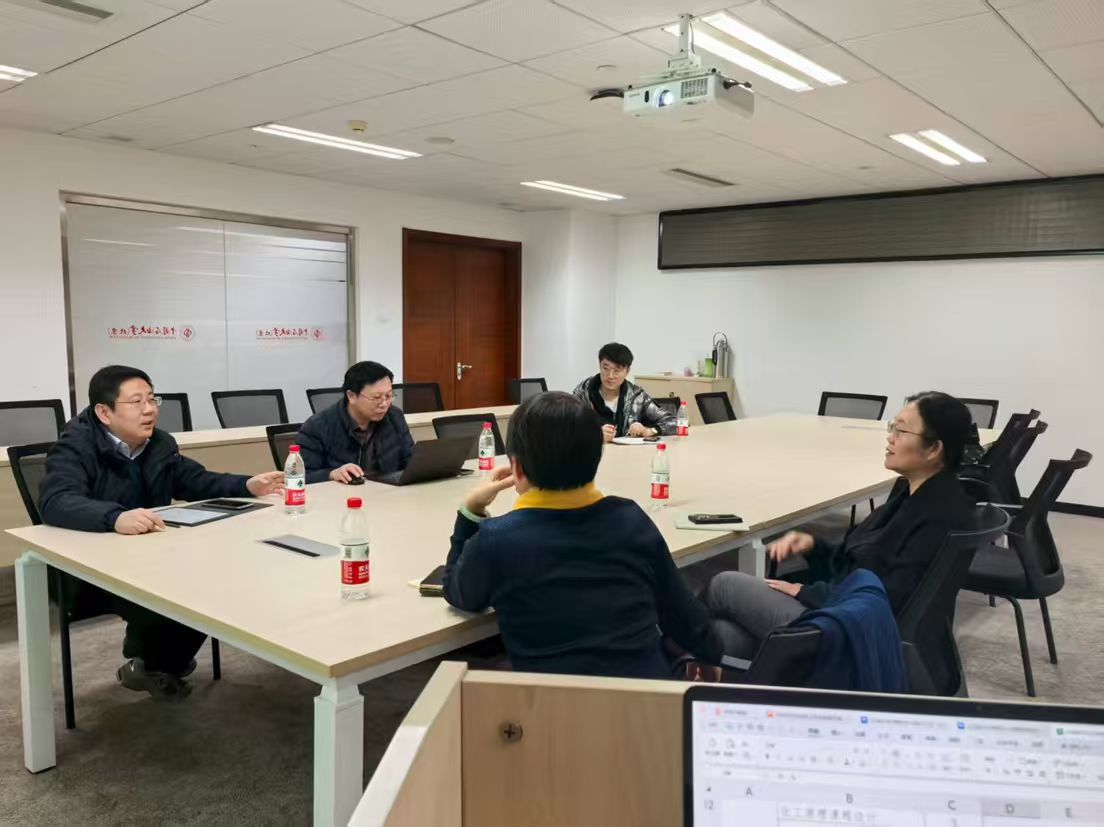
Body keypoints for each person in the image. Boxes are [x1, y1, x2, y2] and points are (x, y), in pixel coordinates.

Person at [39, 365, 285, 698]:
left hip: (151, 554)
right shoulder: (76, 447)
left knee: (216, 578)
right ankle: (155, 661)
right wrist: (114, 517)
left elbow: (194, 481)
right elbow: (56, 500)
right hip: (91, 569)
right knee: (180, 592)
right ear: (104, 412)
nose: (149, 410)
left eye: (152, 399)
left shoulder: (158, 443)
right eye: (136, 402)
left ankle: (155, 662)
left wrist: (246, 485)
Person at [441, 391, 722, 679]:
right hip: (645, 699)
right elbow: (686, 619)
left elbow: (458, 592)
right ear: (596, 458)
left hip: (551, 703)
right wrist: (710, 658)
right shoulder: (630, 520)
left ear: (517, 469)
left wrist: (470, 511)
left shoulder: (496, 540)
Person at [704, 392, 975, 659]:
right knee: (720, 634)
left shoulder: (938, 514)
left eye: (901, 431)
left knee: (725, 585)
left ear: (933, 449)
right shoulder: (913, 493)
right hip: (846, 615)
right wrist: (813, 547)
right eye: (892, 427)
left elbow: (887, 597)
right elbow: (861, 562)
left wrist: (806, 592)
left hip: (853, 630)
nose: (890, 438)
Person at [296, 361, 415, 484]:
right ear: (351, 396)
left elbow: (410, 461)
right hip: (343, 494)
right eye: (376, 397)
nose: (384, 404)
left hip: (387, 491)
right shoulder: (317, 426)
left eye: (389, 396)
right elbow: (301, 476)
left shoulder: (394, 417)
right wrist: (331, 474)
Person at [572, 342, 676, 444]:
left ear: (627, 371)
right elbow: (566, 426)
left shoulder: (637, 396)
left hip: (627, 453)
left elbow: (673, 422)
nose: (610, 375)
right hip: (592, 452)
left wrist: (649, 430)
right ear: (599, 366)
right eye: (606, 368)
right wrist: (593, 434)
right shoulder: (583, 393)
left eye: (617, 370)